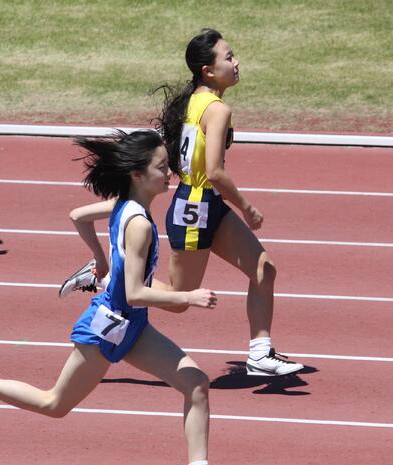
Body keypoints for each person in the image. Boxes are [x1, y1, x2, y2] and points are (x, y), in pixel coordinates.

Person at [0, 130, 247, 465]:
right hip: (109, 326)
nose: (170, 174)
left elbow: (78, 216)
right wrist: (188, 296)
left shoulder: (123, 206)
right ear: (137, 175)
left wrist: (100, 262)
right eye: (162, 167)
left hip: (133, 325)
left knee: (195, 383)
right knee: (54, 404)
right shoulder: (139, 224)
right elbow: (134, 293)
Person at [62, 29, 303, 377]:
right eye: (229, 57)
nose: (236, 63)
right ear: (208, 70)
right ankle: (109, 276)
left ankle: (260, 354)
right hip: (196, 208)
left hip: (206, 202)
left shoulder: (194, 100)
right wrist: (247, 207)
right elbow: (214, 171)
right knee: (179, 299)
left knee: (264, 269)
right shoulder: (217, 109)